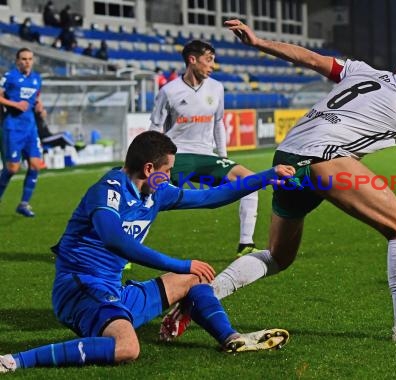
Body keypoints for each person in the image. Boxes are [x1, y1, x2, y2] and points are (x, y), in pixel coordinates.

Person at [160, 19, 396, 343]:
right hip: (326, 158)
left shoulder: (360, 70)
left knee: (277, 256)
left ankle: (199, 298)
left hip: (286, 156)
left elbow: (309, 58)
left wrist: (258, 43)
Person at [0, 131, 294, 373]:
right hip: (80, 289)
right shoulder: (108, 190)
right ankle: (14, 361)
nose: (170, 177)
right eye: (168, 170)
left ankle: (231, 339)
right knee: (127, 347)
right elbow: (115, 240)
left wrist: (266, 176)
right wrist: (179, 263)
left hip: (113, 291)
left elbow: (209, 196)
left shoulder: (157, 192)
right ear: (150, 169)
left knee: (196, 278)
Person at [149, 40, 261, 258]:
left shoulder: (216, 88)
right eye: (208, 60)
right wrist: (154, 160)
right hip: (177, 155)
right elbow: (155, 127)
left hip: (207, 157)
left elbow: (218, 122)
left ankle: (245, 245)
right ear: (192, 60)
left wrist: (223, 157)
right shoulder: (168, 91)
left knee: (250, 181)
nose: (213, 65)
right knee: (144, 192)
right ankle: (122, 253)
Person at [0, 48, 43, 217]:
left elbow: (37, 97)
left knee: (35, 165)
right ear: (17, 61)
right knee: (12, 169)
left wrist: (40, 106)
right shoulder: (9, 77)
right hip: (13, 127)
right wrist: (15, 104)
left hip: (30, 128)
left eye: (30, 59)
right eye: (23, 59)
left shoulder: (36, 79)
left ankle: (24, 204)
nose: (27, 62)